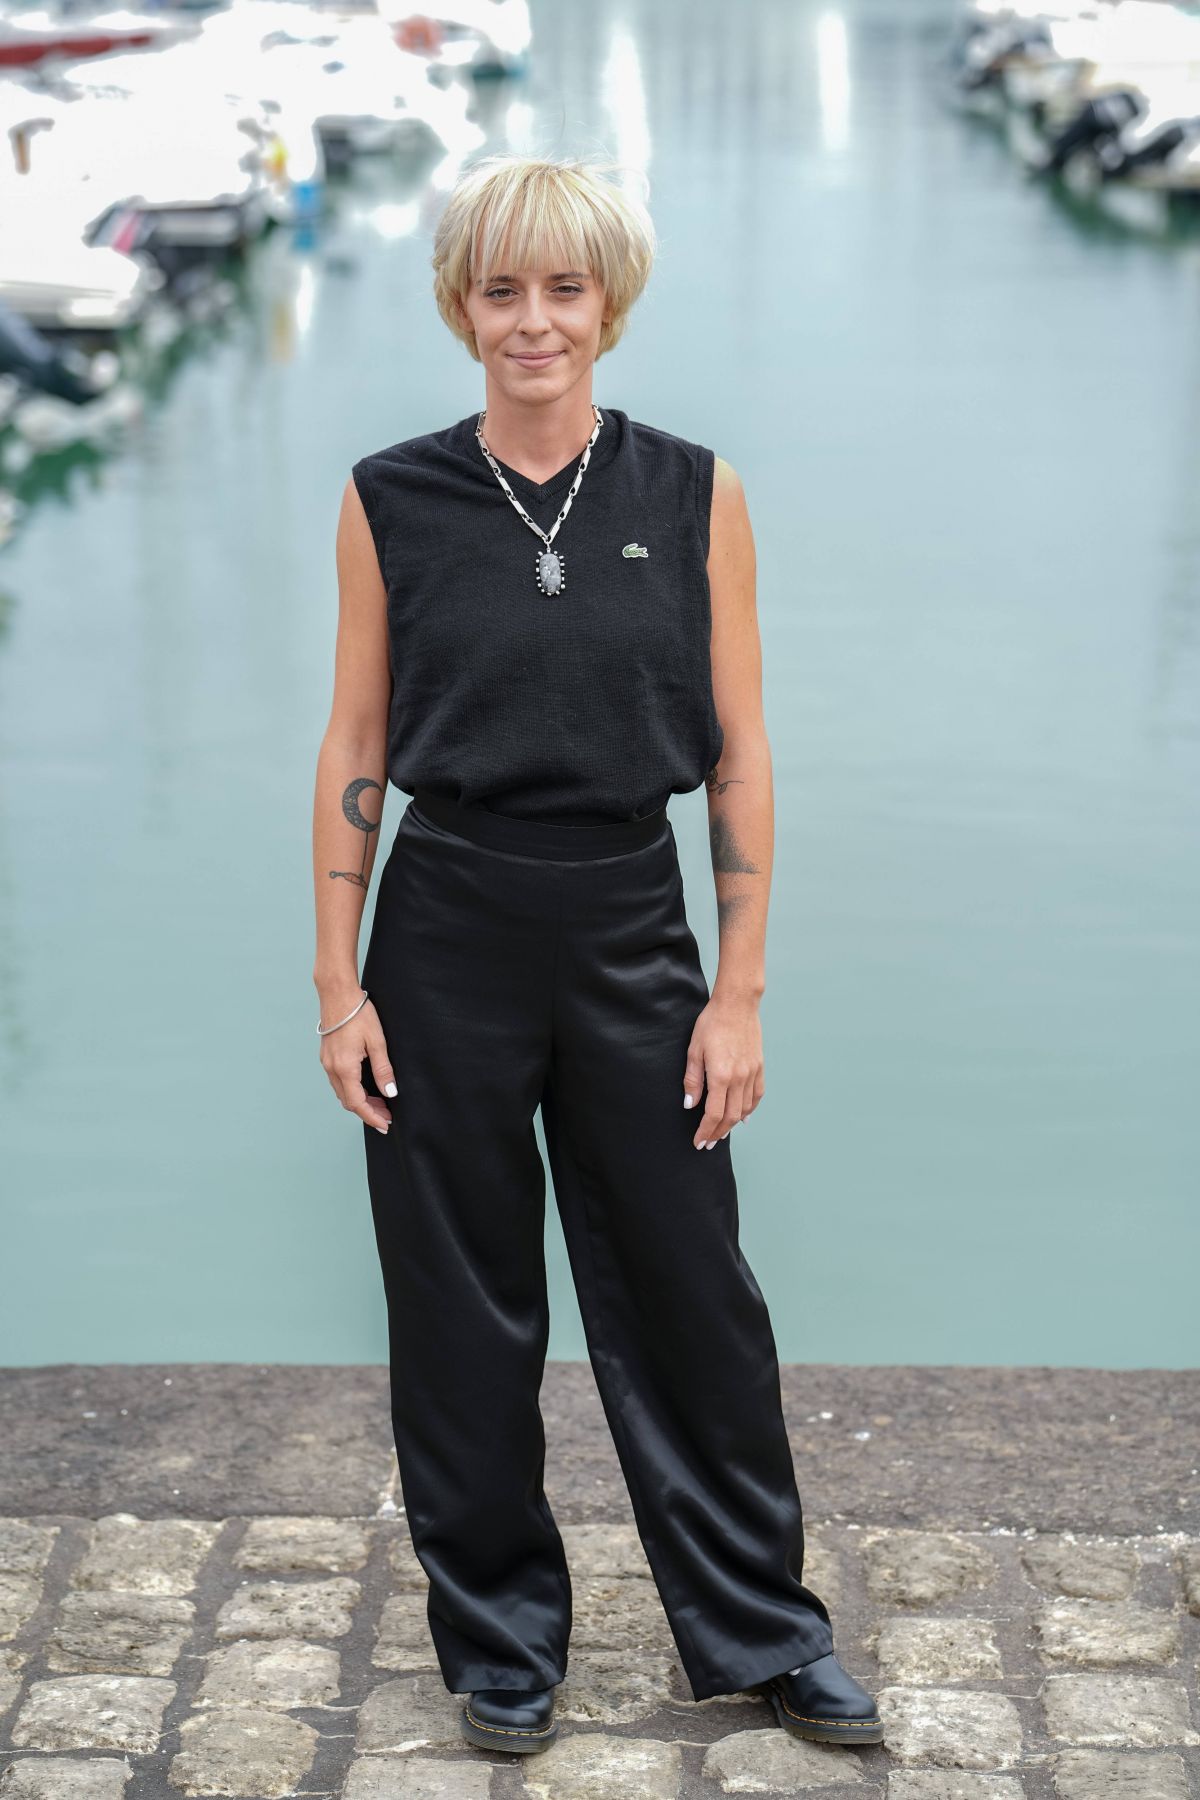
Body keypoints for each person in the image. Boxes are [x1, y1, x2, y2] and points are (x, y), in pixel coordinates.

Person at [312, 152, 883, 1756]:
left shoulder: (696, 490)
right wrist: (336, 979)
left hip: (633, 924)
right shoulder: (389, 495)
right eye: (502, 289)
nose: (534, 321)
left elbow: (743, 752)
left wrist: (742, 985)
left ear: (609, 305)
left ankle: (765, 1630)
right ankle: (502, 1642)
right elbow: (355, 738)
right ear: (460, 307)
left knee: (693, 1293)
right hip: (445, 927)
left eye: (565, 289)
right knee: (461, 1307)